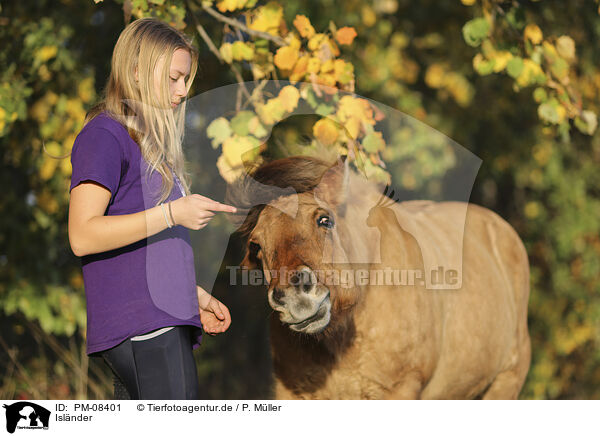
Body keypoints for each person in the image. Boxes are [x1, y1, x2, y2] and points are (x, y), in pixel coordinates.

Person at [67, 17, 236, 400]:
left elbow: (139, 247)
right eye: (174, 78)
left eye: (186, 80)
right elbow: (82, 235)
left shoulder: (146, 145)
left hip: (155, 323)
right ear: (139, 71)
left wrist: (190, 293)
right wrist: (173, 214)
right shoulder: (105, 134)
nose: (182, 91)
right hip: (145, 328)